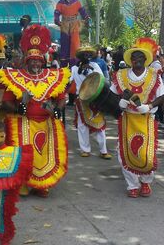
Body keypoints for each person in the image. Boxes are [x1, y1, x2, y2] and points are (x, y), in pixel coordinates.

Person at [0, 25, 70, 197]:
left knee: (44, 155)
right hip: (23, 123)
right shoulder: (15, 76)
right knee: (24, 155)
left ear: (43, 62)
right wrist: (19, 108)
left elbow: (61, 98)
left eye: (38, 61)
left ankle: (42, 184)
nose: (35, 63)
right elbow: (6, 102)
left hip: (47, 123)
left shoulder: (53, 76)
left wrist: (58, 110)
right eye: (32, 60)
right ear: (27, 61)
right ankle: (23, 183)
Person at [111, 39, 164, 198]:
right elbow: (113, 94)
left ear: (146, 59)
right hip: (127, 119)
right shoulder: (121, 75)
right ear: (130, 60)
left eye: (141, 57)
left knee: (146, 154)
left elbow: (161, 96)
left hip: (146, 119)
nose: (137, 59)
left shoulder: (155, 76)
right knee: (125, 153)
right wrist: (119, 102)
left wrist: (148, 106)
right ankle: (132, 185)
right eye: (135, 57)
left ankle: (146, 182)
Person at [70, 46, 112, 159]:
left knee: (99, 124)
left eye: (89, 54)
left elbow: (101, 78)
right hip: (81, 99)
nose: (87, 56)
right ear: (80, 56)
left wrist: (91, 70)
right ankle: (85, 149)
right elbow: (67, 81)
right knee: (82, 125)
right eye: (84, 54)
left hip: (95, 99)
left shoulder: (95, 66)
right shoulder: (74, 68)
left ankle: (103, 151)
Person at [54, 0, 90, 66]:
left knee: (75, 44)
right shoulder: (60, 3)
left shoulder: (76, 1)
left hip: (74, 25)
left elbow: (82, 10)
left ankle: (75, 63)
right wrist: (57, 20)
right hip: (65, 25)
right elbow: (57, 12)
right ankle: (64, 64)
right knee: (65, 44)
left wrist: (86, 17)